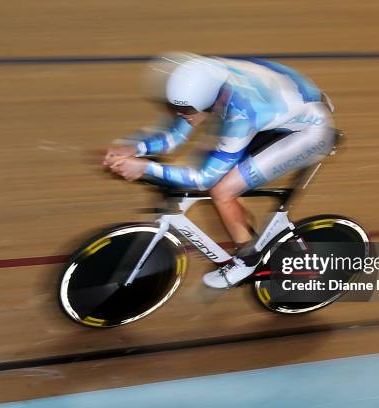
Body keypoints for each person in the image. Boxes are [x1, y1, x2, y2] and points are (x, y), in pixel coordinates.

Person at [103, 52, 336, 289]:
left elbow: (205, 178)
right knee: (213, 163)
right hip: (283, 107)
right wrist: (135, 148)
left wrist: (146, 167)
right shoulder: (205, 82)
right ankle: (245, 229)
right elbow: (175, 136)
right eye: (175, 108)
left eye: (187, 111)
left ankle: (247, 260)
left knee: (222, 190)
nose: (181, 115)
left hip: (309, 131)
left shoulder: (241, 114)